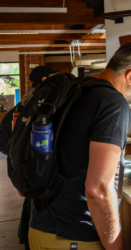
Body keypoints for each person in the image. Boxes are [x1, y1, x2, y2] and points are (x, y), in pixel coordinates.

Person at [28, 40, 131, 250]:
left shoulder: (74, 89)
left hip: (40, 228)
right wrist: (116, 247)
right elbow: (99, 189)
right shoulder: (112, 103)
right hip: (75, 236)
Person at [17, 66, 60, 250]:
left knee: (32, 205)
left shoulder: (26, 104)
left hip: (25, 172)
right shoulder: (43, 106)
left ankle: (28, 238)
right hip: (38, 170)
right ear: (45, 80)